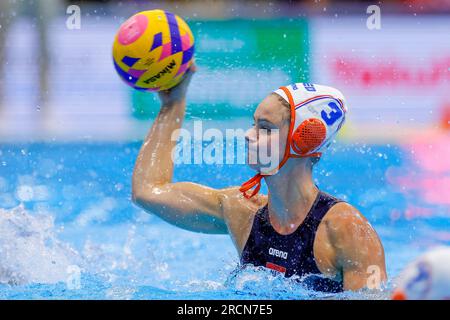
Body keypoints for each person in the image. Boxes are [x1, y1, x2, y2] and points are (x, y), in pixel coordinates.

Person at [132, 65, 387, 292]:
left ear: (303, 141)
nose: (248, 135)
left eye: (265, 128)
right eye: (254, 124)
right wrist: (172, 104)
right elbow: (147, 191)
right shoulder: (241, 210)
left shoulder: (347, 231)